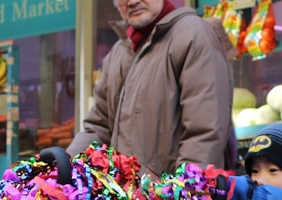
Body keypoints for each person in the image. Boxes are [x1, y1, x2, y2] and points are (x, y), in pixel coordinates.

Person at [62, 0, 238, 177]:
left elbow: (204, 132)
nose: (132, 1)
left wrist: (185, 194)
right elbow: (98, 128)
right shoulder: (119, 52)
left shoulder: (194, 35)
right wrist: (60, 169)